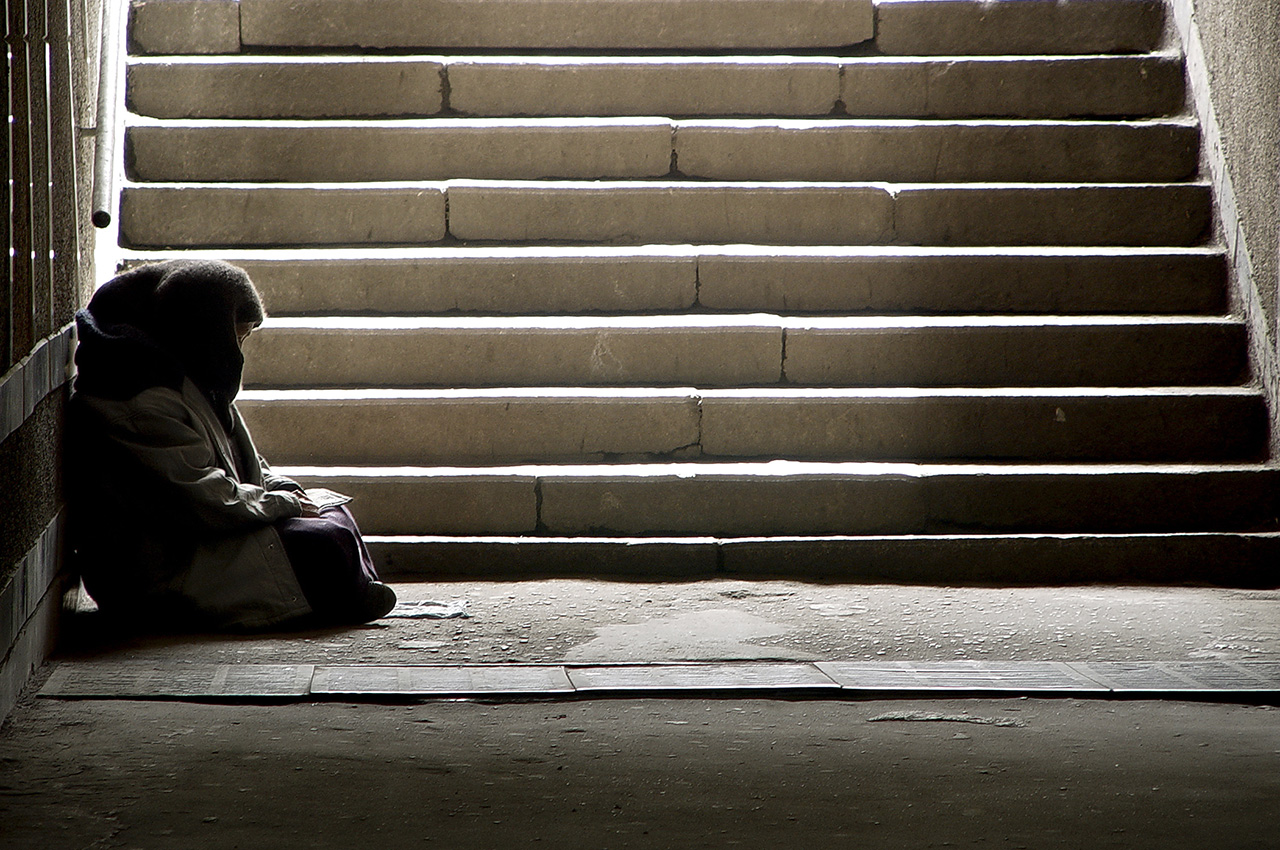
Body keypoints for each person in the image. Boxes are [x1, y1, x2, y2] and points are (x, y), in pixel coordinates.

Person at [67, 259, 396, 630]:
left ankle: (348, 591)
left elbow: (245, 462)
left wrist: (288, 491)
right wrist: (284, 505)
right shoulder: (135, 401)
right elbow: (203, 497)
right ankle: (342, 595)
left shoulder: (188, 376)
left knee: (334, 513)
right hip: (167, 565)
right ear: (205, 331)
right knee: (321, 541)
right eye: (235, 338)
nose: (237, 352)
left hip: (209, 534)